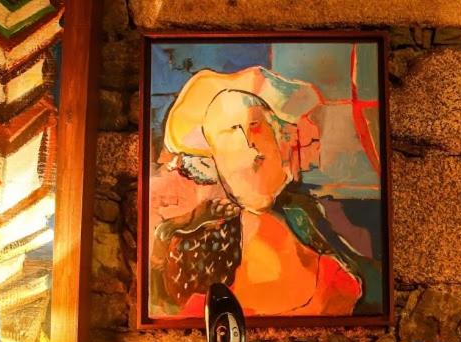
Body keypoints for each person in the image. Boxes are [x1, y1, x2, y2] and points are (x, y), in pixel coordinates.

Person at [149, 66, 377, 318]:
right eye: (231, 132)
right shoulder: (199, 242)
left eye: (255, 127)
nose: (250, 148)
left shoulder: (308, 219)